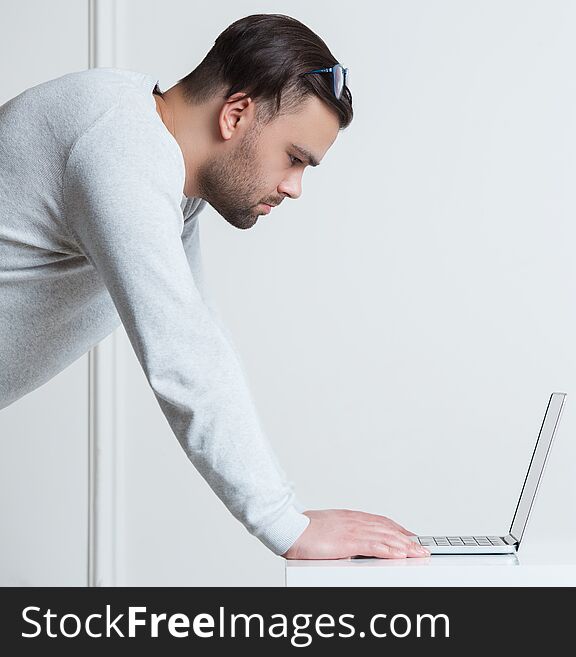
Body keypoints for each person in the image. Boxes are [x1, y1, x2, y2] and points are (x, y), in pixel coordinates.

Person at [0, 13, 430, 561]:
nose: (294, 187)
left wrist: (286, 511)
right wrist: (284, 523)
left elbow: (199, 331)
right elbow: (183, 356)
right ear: (236, 114)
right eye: (294, 158)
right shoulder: (119, 148)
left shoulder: (155, 161)